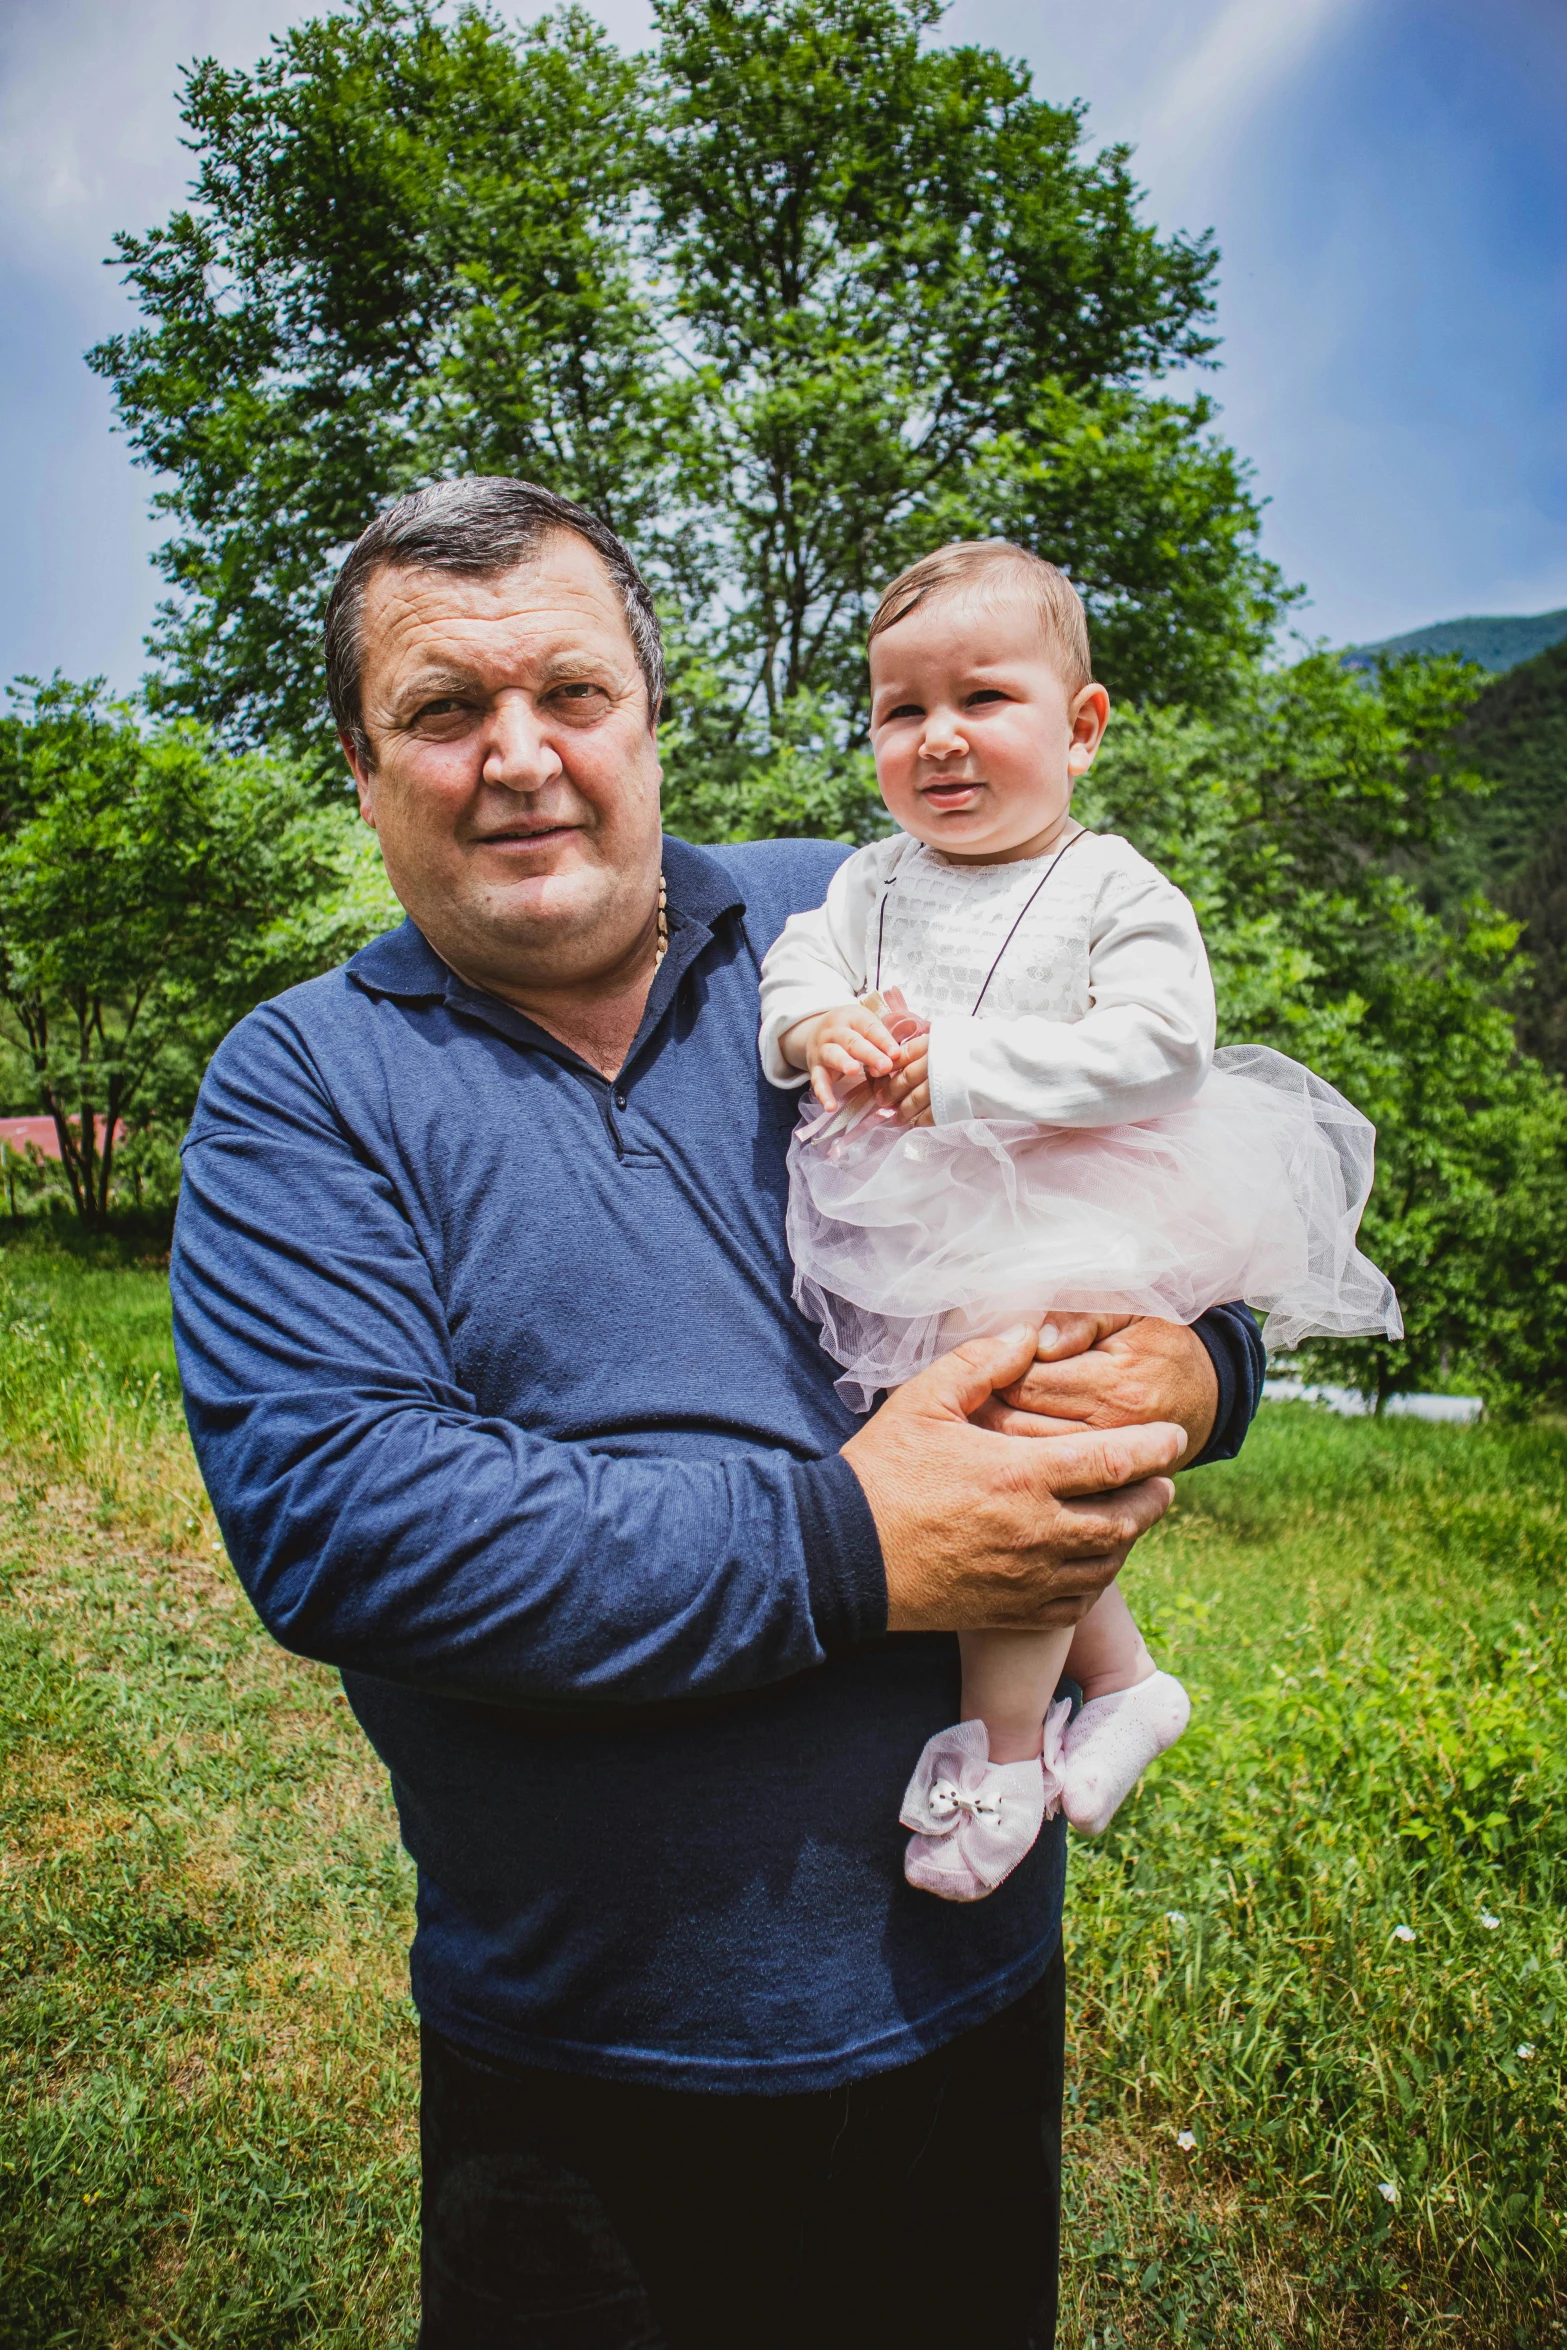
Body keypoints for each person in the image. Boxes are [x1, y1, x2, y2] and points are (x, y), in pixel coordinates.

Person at [170, 477, 1266, 2350]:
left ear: (650, 718)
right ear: (361, 768)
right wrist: (857, 1545)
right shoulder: (303, 1087)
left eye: (572, 696)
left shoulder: (849, 916)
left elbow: (1170, 1181)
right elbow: (349, 1525)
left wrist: (1205, 1369)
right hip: (584, 2060)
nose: (519, 759)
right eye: (442, 713)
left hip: (969, 1994)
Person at [760, 539, 1399, 1903]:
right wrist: (819, 1027)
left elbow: (1166, 1046)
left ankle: (996, 1749)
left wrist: (968, 1070)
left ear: (1081, 726)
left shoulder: (1113, 886)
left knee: (1014, 1464)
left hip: (1073, 1200)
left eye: (981, 699)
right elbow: (798, 966)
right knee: (992, 1450)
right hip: (914, 1212)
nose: (937, 739)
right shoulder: (870, 878)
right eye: (898, 709)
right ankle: (1121, 1679)